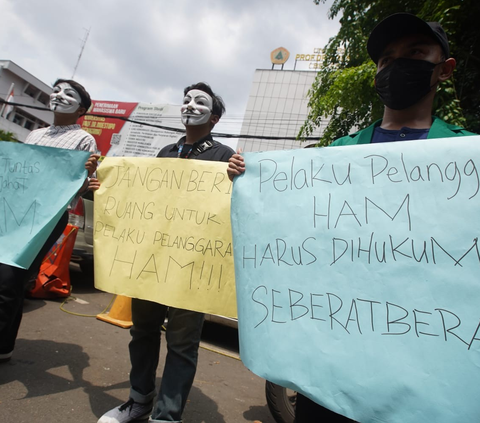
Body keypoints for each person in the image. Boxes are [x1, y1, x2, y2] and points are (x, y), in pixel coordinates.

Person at [227, 12, 476, 422]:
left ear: (443, 70)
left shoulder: (467, 156)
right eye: (387, 58)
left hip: (426, 377)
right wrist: (249, 183)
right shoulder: (335, 155)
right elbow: (293, 238)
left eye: (415, 53)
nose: (397, 66)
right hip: (330, 374)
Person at [98, 82, 234, 423]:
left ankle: (166, 417)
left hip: (194, 269)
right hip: (153, 262)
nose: (189, 105)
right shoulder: (165, 153)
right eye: (185, 99)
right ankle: (139, 400)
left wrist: (240, 177)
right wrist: (107, 189)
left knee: (182, 344)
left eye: (200, 101)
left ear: (214, 118)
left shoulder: (224, 157)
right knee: (142, 331)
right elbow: (143, 201)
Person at [0, 78, 98, 364]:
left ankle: (3, 345)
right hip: (15, 211)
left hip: (46, 218)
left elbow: (77, 187)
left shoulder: (84, 140)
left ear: (82, 109)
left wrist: (86, 180)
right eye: (57, 91)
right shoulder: (35, 134)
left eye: (69, 94)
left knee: (11, 278)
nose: (59, 96)